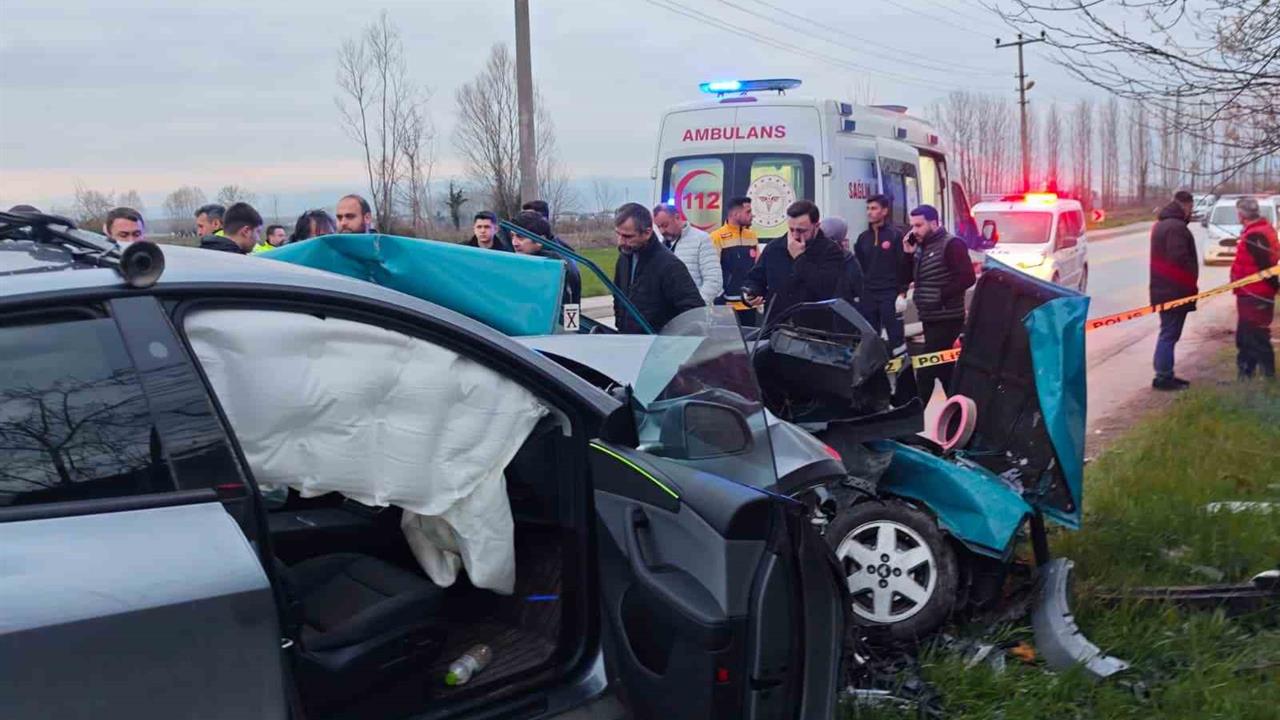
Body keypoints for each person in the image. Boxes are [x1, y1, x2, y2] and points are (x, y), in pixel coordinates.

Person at [903, 204, 976, 398]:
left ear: (934, 223)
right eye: (912, 226)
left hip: (947, 317)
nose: (914, 231)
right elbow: (908, 277)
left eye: (919, 225)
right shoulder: (922, 247)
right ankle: (959, 407)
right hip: (929, 316)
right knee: (945, 370)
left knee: (926, 370)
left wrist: (940, 296)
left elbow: (967, 277)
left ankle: (918, 411)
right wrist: (908, 254)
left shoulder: (951, 244)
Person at [741, 200, 846, 320]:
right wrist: (750, 293)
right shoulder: (774, 248)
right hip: (777, 323)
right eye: (791, 229)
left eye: (801, 231)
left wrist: (799, 258)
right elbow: (755, 278)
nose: (795, 235)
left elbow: (826, 288)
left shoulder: (831, 251)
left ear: (816, 226)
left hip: (813, 325)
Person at [612, 202, 704, 334]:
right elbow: (619, 298)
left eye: (627, 236)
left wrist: (668, 340)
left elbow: (694, 312)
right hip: (629, 341)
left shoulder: (669, 265)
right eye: (618, 234)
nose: (620, 241)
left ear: (647, 233)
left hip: (657, 343)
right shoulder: (624, 258)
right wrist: (620, 328)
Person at [1148, 190, 1199, 390]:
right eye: (1191, 208)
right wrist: (1189, 283)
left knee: (1168, 333)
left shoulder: (1162, 224)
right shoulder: (1176, 228)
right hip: (1174, 292)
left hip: (1163, 289)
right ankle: (1163, 376)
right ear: (1185, 205)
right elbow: (1178, 259)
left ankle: (1165, 373)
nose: (1191, 212)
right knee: (1169, 334)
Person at [1230, 196, 1279, 380]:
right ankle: (1245, 375)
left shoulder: (1256, 235)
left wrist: (1274, 287)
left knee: (1257, 336)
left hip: (1256, 294)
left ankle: (1268, 377)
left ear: (1241, 215)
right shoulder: (1259, 230)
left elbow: (1266, 267)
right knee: (1245, 337)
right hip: (1249, 293)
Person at [855, 194, 910, 350]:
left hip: (889, 293)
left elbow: (903, 264)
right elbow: (860, 266)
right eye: (868, 208)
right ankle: (875, 365)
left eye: (874, 208)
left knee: (895, 337)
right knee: (870, 337)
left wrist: (902, 292)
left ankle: (900, 363)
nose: (869, 212)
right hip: (869, 294)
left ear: (884, 211)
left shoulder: (895, 235)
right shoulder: (863, 238)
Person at [653, 203, 723, 304]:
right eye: (658, 227)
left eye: (665, 225)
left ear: (677, 217)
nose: (662, 231)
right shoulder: (661, 245)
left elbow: (714, 280)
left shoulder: (702, 239)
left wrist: (695, 305)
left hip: (694, 310)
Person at [510, 210, 581, 307]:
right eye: (512, 236)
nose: (514, 243)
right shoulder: (531, 259)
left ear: (541, 240)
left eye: (520, 237)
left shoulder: (557, 266)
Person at [708, 196, 760, 326]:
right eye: (748, 212)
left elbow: (758, 267)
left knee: (749, 338)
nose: (752, 215)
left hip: (749, 303)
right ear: (736, 214)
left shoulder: (752, 236)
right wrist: (718, 300)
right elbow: (712, 271)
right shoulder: (716, 237)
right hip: (726, 307)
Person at [820, 215, 864, 308]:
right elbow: (858, 287)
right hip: (843, 307)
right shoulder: (848, 258)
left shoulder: (814, 255)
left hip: (823, 306)